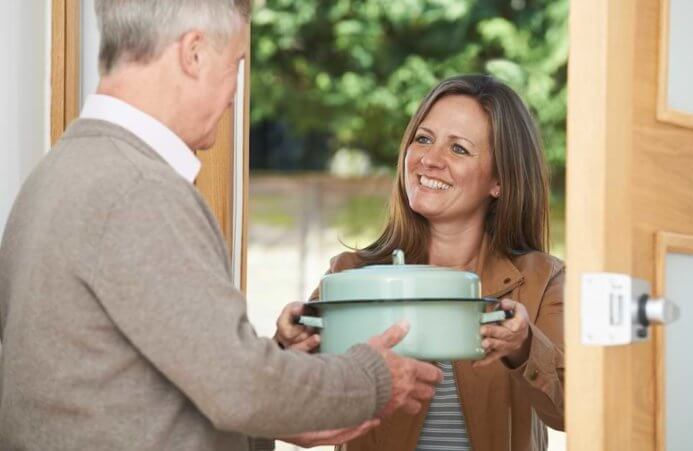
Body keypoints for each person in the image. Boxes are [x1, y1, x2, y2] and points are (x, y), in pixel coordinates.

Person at [0, 1, 443, 450]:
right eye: (236, 64)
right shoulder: (137, 189)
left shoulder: (61, 172)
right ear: (193, 53)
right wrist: (373, 378)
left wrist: (283, 363)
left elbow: (184, 380)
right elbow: (240, 389)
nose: (235, 92)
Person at [276, 74, 565, 451]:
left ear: (499, 180)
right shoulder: (349, 276)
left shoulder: (540, 280)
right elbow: (284, 416)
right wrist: (286, 349)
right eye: (423, 139)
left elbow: (574, 411)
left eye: (458, 149)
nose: (429, 160)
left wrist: (524, 346)